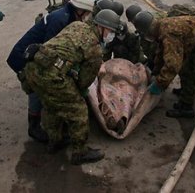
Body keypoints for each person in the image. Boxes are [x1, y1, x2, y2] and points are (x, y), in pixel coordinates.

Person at [24, 9, 122, 165]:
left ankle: (54, 142)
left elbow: (63, 47)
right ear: (101, 27)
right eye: (110, 31)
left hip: (33, 68)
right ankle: (80, 153)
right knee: (78, 110)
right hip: (51, 75)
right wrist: (79, 92)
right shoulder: (95, 48)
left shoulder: (77, 25)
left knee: (51, 106)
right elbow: (85, 79)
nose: (111, 35)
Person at [133, 10, 195, 150]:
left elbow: (172, 65)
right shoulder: (161, 27)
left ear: (148, 30)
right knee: (188, 73)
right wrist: (154, 73)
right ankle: (186, 106)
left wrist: (160, 84)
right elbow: (162, 53)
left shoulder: (169, 32)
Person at [6, 0, 95, 143]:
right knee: (37, 87)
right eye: (86, 13)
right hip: (23, 57)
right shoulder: (60, 20)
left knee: (41, 84)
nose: (86, 17)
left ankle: (43, 122)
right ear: (80, 10)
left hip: (31, 54)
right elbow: (48, 51)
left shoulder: (66, 15)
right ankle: (34, 128)